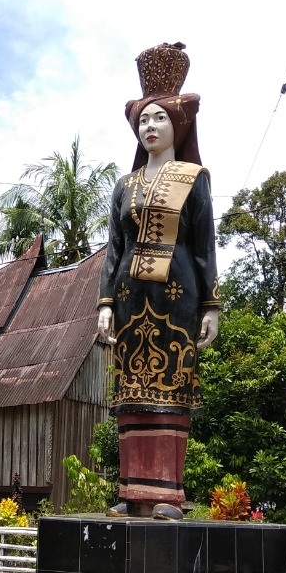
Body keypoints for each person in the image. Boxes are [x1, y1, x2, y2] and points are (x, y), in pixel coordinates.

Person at [97, 42, 220, 520]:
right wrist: (105, 303)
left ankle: (168, 496)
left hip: (180, 296)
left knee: (171, 387)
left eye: (159, 119)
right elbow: (115, 248)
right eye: (143, 120)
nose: (150, 127)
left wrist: (211, 305)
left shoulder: (194, 177)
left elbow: (204, 244)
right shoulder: (123, 187)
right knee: (132, 392)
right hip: (130, 297)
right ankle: (133, 492)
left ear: (177, 126)